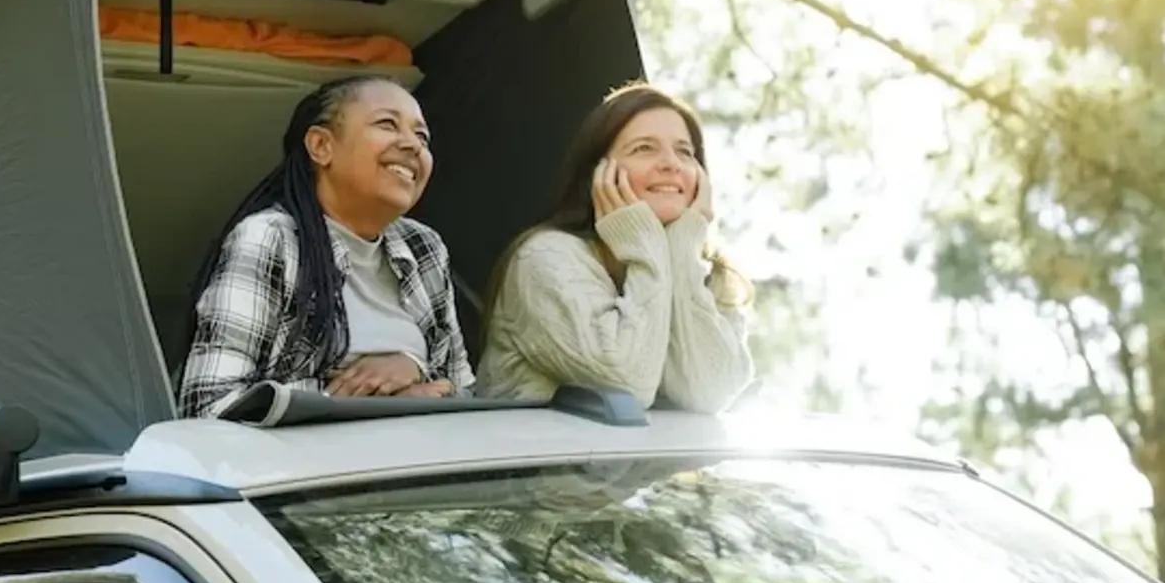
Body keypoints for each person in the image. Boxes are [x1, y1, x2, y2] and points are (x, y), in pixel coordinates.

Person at [177, 75, 473, 418]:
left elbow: (464, 393)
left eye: (422, 136)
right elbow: (209, 406)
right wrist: (371, 403)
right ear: (321, 146)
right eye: (387, 124)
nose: (413, 145)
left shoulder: (424, 248)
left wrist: (413, 366)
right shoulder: (270, 238)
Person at [478, 83, 754, 413]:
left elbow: (712, 394)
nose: (671, 164)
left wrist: (681, 255)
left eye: (685, 152)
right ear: (599, 174)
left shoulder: (708, 274)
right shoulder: (544, 258)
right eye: (644, 148)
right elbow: (627, 387)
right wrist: (644, 246)